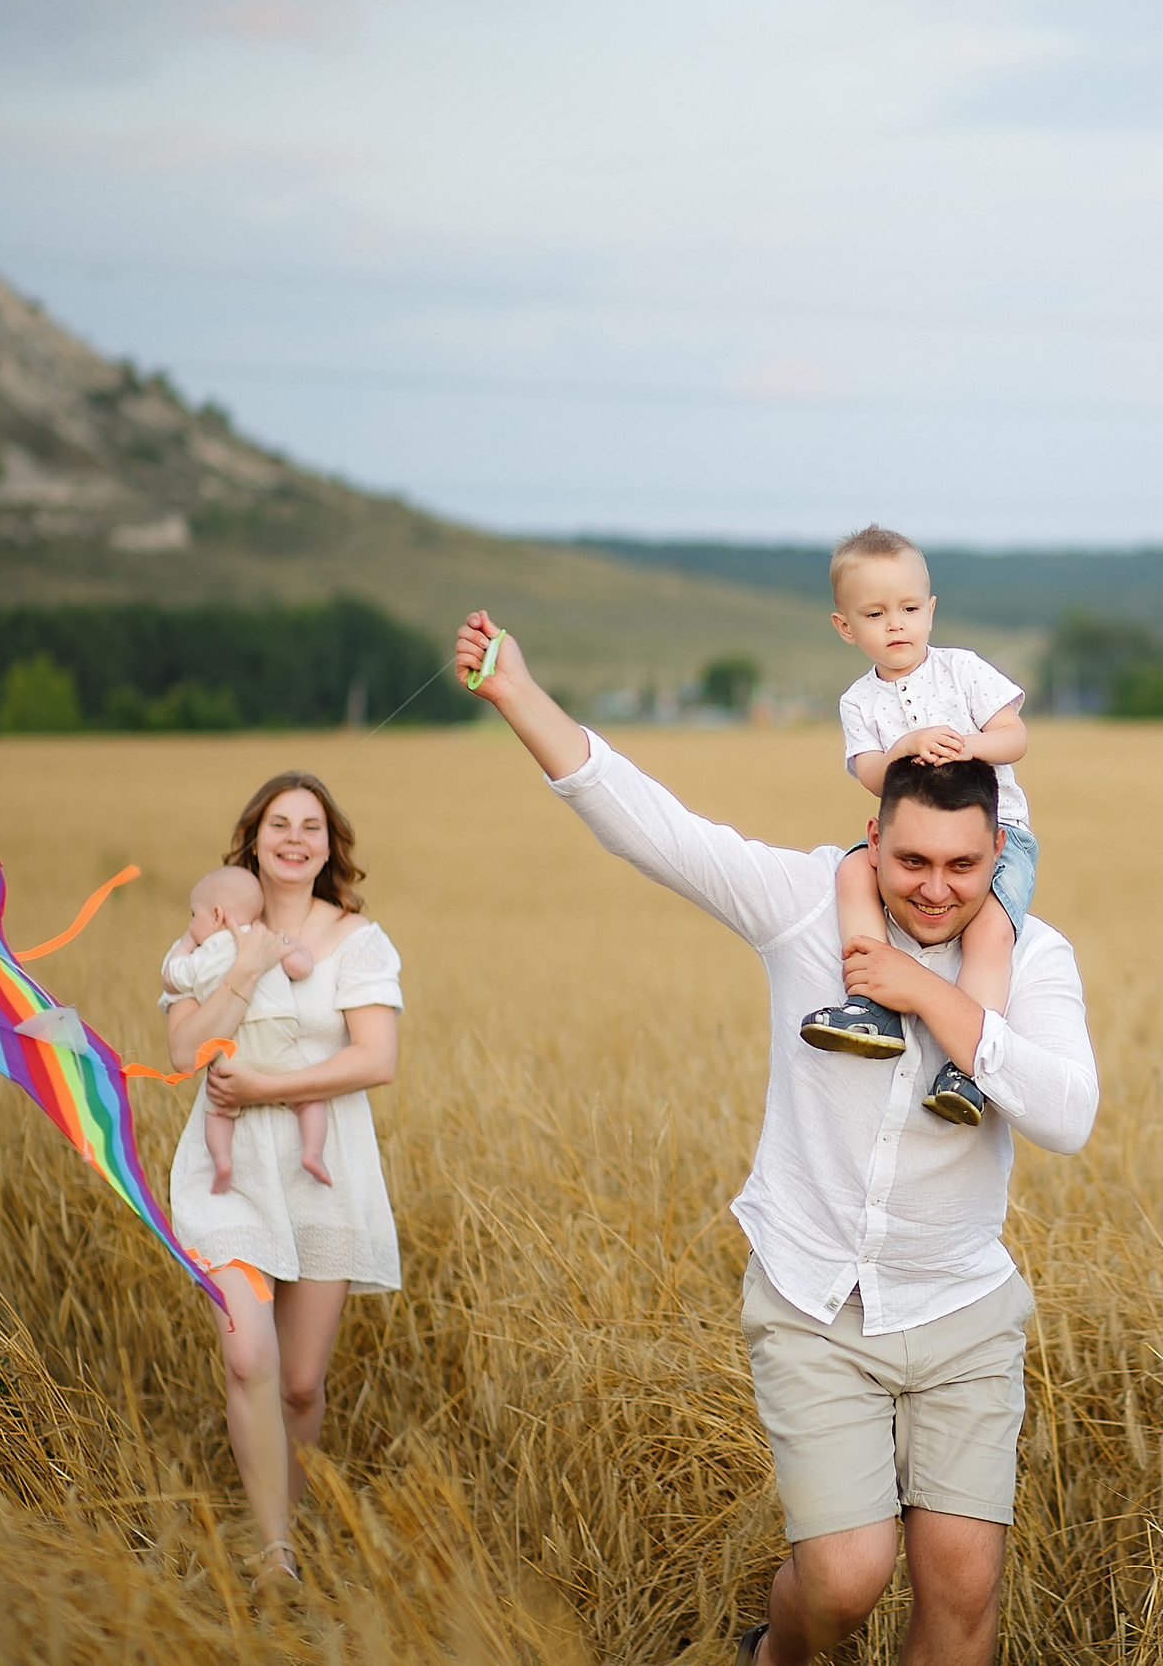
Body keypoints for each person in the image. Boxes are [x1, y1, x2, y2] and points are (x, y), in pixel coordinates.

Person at [453, 609, 1097, 1666]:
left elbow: (1069, 1115)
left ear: (1001, 856)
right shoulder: (806, 905)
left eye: (964, 867)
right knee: (844, 1582)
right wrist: (517, 689)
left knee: (963, 1589)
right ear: (872, 840)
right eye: (911, 861)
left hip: (961, 1306)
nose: (934, 889)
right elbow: (651, 826)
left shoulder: (1032, 956)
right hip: (811, 1301)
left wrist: (938, 1008)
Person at [161, 772, 405, 1592]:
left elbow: (377, 1059)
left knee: (300, 1382)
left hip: (322, 1166)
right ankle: (276, 1555)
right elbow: (181, 1050)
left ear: (329, 845)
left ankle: (283, 1526)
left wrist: (268, 1087)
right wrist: (243, 963)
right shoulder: (211, 934)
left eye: (311, 826)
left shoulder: (359, 941)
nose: (294, 838)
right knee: (247, 1353)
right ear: (254, 839)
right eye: (278, 824)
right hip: (227, 1173)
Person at [796, 527, 1035, 1129]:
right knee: (852, 867)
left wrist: (969, 747)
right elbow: (871, 775)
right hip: (907, 837)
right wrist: (904, 748)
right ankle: (870, 1003)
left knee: (988, 932)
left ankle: (971, 1064)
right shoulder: (859, 703)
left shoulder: (963, 671)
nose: (895, 625)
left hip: (997, 833)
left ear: (930, 611)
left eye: (907, 609)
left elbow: (1017, 738)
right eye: (875, 614)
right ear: (845, 626)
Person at [164, 865, 332, 1195]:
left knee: (219, 1109)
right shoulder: (266, 940)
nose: (190, 924)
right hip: (278, 1034)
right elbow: (301, 968)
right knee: (311, 1100)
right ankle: (313, 1152)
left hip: (233, 1048)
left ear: (215, 914)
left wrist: (185, 944)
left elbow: (171, 977)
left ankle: (223, 1162)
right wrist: (290, 944)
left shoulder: (203, 953)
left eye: (193, 915)